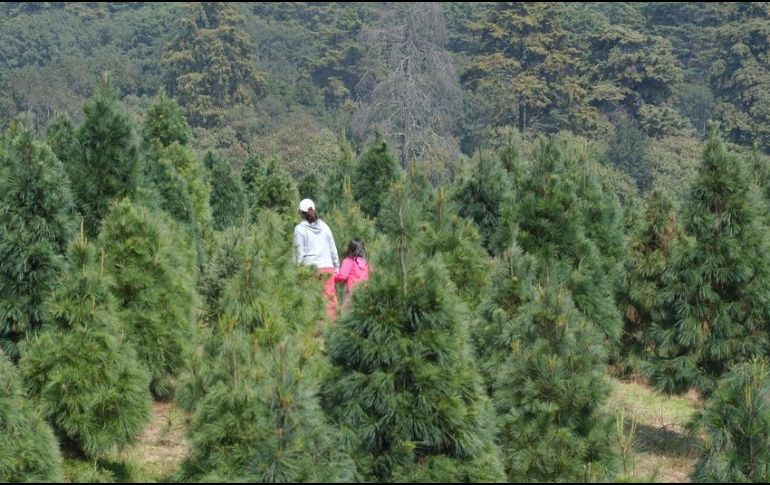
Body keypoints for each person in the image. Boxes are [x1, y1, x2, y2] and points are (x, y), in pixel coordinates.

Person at [293, 198, 339, 319]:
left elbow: (299, 253)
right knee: (330, 299)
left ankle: (314, 330)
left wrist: (296, 270)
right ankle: (333, 326)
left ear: (301, 213)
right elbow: (332, 248)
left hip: (311, 269)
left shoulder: (299, 229)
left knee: (311, 299)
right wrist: (336, 266)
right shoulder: (325, 227)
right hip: (327, 267)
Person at [334, 239, 370, 306]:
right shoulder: (366, 263)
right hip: (365, 293)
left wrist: (331, 277)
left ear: (350, 249)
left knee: (346, 313)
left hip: (352, 293)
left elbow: (342, 276)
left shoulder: (348, 261)